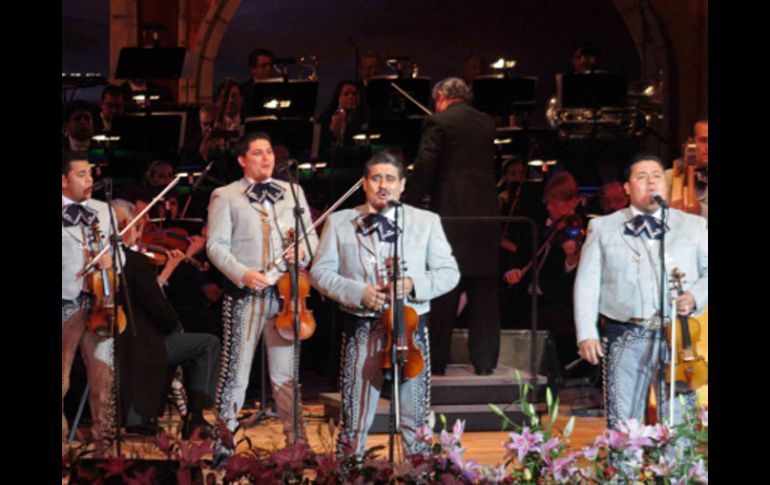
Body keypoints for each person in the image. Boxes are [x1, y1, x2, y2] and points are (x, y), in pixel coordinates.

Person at [310, 150, 459, 458]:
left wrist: (414, 284)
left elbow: (449, 273)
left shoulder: (426, 221)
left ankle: (417, 475)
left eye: (390, 179)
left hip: (411, 332)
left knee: (414, 419)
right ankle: (351, 474)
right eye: (376, 178)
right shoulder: (340, 221)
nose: (383, 185)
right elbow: (319, 272)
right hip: (362, 327)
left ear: (402, 185)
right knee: (354, 417)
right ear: (364, 183)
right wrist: (357, 291)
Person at [206, 131, 318, 460]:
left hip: (287, 293)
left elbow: (310, 238)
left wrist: (303, 252)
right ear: (243, 160)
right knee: (236, 371)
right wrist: (243, 273)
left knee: (286, 373)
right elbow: (215, 246)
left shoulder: (292, 192)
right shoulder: (225, 195)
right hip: (246, 293)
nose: (266, 158)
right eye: (258, 153)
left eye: (269, 151)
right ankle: (224, 443)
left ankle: (297, 444)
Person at [574, 154, 708, 429]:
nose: (651, 183)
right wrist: (586, 332)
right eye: (642, 177)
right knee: (623, 421)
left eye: (657, 176)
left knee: (678, 421)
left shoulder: (694, 226)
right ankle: (625, 471)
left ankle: (676, 472)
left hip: (678, 335)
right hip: (625, 332)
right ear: (626, 187)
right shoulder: (603, 227)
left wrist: (695, 296)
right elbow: (587, 281)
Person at [406, 77, 500, 376]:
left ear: (441, 97)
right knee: (484, 290)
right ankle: (485, 363)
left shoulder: (438, 122)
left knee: (445, 287)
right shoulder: (486, 123)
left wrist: (408, 201)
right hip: (486, 217)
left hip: (450, 216)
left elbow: (426, 166)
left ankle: (437, 361)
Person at [111, 199, 221, 439]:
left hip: (114, 339)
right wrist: (175, 328)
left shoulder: (101, 260)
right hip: (140, 344)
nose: (139, 234)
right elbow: (159, 309)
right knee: (208, 344)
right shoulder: (136, 262)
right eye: (137, 228)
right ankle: (196, 418)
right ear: (124, 227)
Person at [62, 151, 118, 456]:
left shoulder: (103, 210)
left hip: (100, 303)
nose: (89, 180)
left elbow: (120, 253)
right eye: (81, 174)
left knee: (104, 376)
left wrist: (113, 260)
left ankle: (104, 447)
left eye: (90, 173)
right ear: (63, 180)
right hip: (65, 300)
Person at [317, 80, 370, 157]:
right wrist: (333, 131)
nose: (351, 97)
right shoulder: (326, 118)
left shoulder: (365, 118)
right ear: (338, 98)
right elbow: (322, 147)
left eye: (354, 94)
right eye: (346, 94)